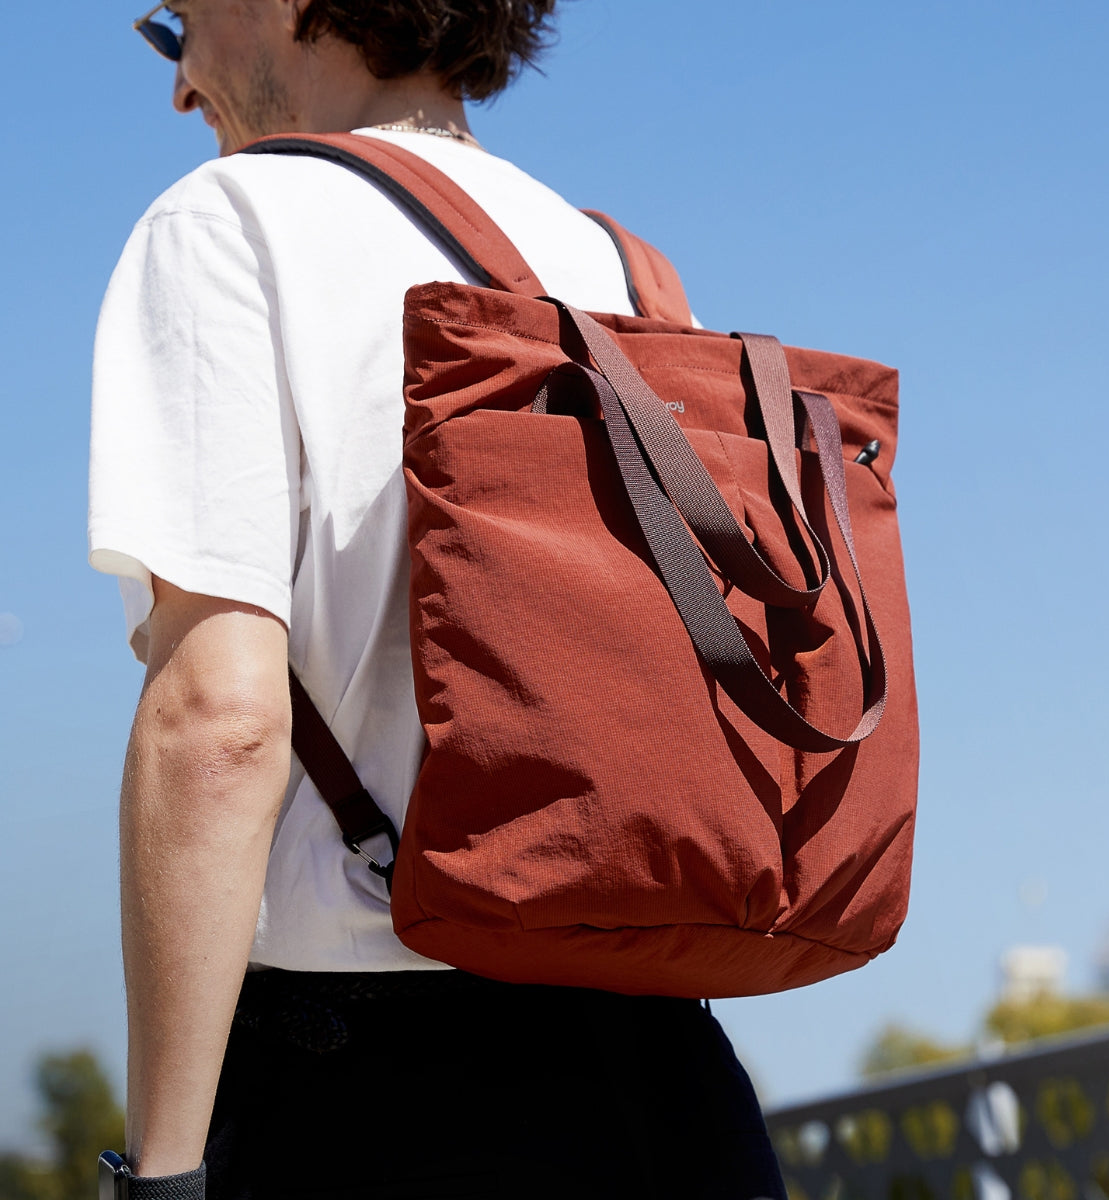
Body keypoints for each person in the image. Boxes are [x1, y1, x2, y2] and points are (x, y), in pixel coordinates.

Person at [89, 2, 789, 1197]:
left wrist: (161, 1175)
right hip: (668, 1081)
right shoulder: (617, 266)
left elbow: (219, 723)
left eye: (175, 26)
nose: (179, 84)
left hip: (373, 1086)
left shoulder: (227, 224)